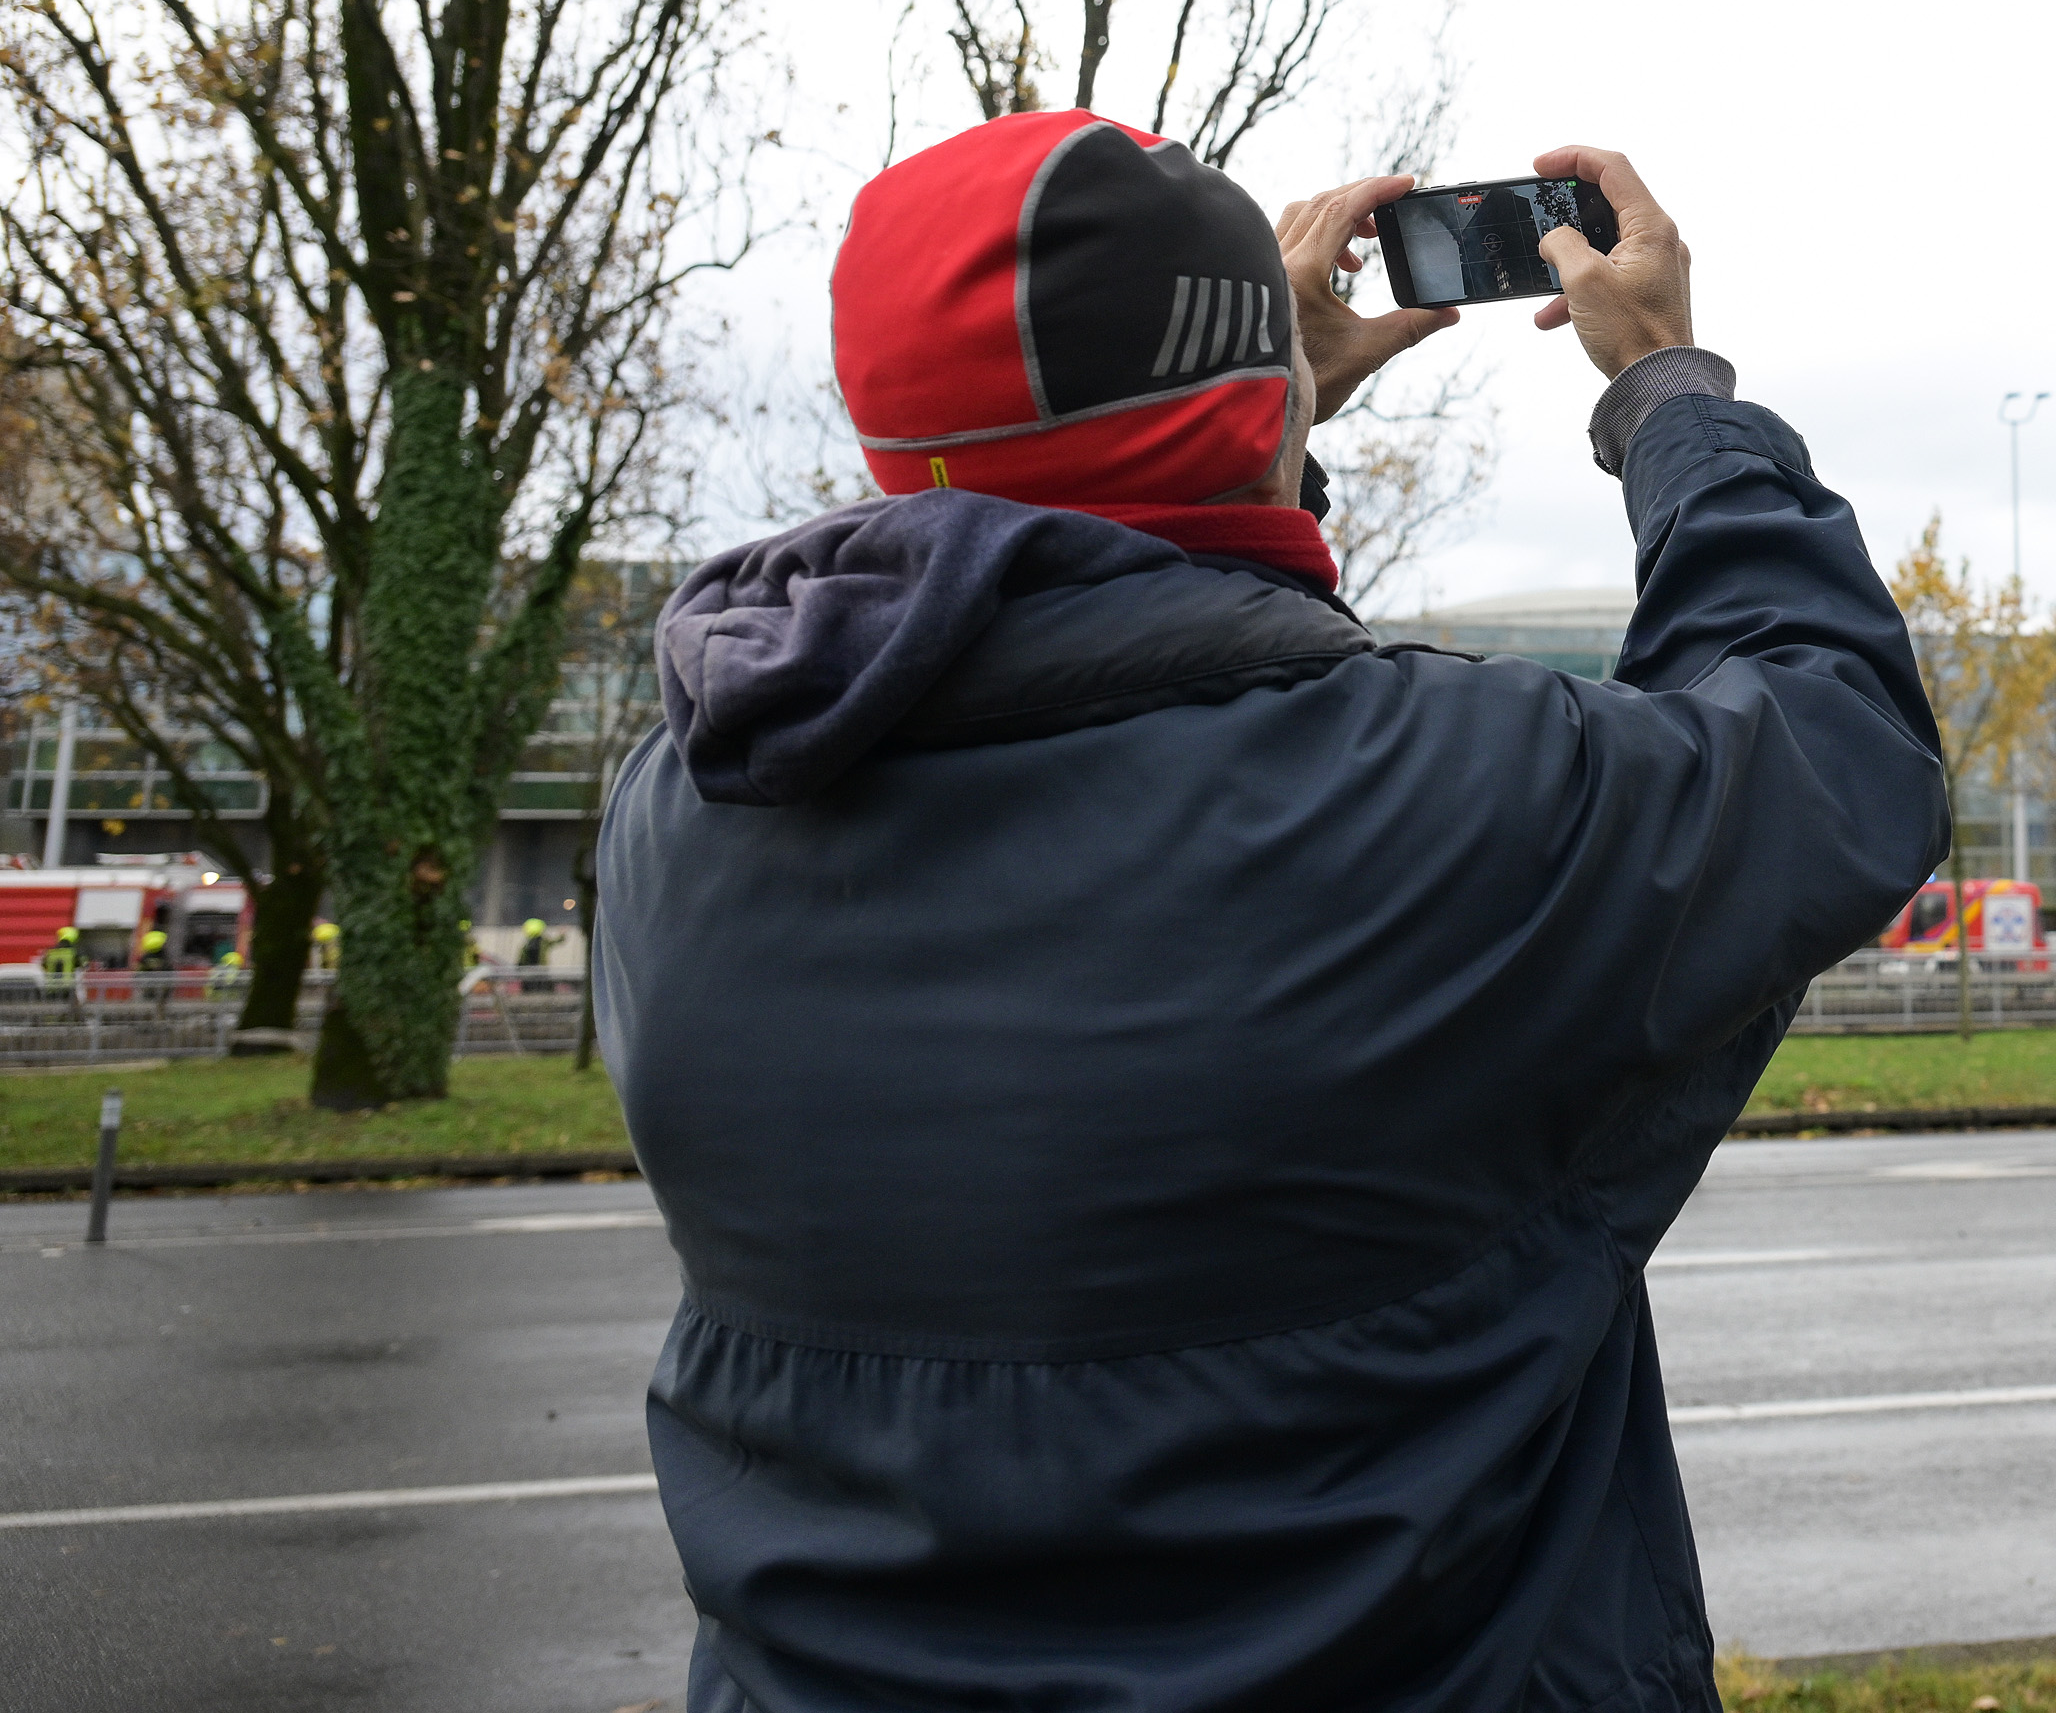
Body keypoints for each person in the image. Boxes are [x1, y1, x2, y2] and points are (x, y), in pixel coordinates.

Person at [597, 118, 1944, 1713]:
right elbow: (1834, 745)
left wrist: (1249, 438)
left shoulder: (687, 811)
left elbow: (1155, 681)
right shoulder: (1452, 806)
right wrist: (1665, 388)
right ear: (1250, 391)